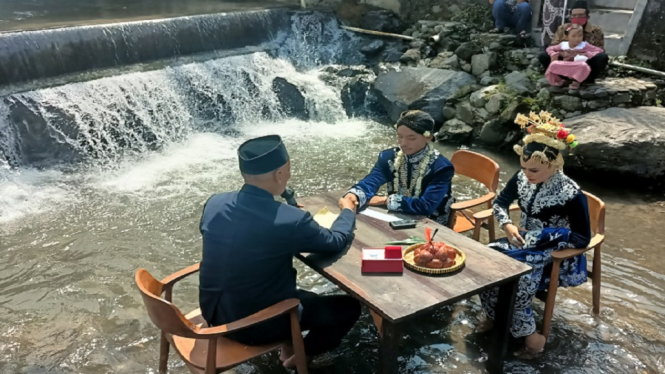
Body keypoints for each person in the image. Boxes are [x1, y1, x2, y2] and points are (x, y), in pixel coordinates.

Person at [199, 135, 361, 368]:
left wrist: (289, 211)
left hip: (213, 311)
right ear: (280, 174)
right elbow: (335, 241)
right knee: (348, 308)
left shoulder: (215, 202)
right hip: (252, 326)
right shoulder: (290, 221)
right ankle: (300, 358)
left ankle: (289, 345)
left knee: (310, 299)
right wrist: (347, 211)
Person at [479, 111, 591, 356]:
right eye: (524, 167)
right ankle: (493, 316)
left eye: (534, 170)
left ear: (553, 164)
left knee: (517, 281)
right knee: (485, 262)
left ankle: (532, 339)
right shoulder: (522, 177)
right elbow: (500, 203)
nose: (527, 174)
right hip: (520, 240)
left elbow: (583, 238)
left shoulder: (572, 194)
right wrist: (508, 225)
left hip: (555, 251)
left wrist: (546, 237)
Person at [342, 110, 455, 226]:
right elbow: (371, 181)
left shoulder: (441, 167)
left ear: (428, 137)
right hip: (395, 216)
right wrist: (354, 195)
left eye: (411, 138)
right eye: (400, 136)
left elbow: (426, 206)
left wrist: (384, 200)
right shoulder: (389, 157)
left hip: (432, 222)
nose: (403, 143)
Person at [538, 0, 609, 83]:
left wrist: (583, 54)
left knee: (602, 58)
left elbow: (599, 50)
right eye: (574, 15)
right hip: (565, 59)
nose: (577, 18)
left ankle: (585, 79)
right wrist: (563, 54)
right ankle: (562, 77)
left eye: (580, 15)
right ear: (570, 17)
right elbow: (554, 46)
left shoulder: (596, 30)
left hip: (584, 61)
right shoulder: (563, 28)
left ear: (587, 16)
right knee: (544, 55)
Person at [545, 24, 605, 90]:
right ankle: (559, 80)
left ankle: (577, 81)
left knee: (583, 66)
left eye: (580, 36)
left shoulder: (584, 45)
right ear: (567, 36)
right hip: (565, 64)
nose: (577, 39)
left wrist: (586, 54)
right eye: (573, 36)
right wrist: (554, 54)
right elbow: (549, 49)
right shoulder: (563, 45)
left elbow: (599, 50)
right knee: (553, 64)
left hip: (578, 65)